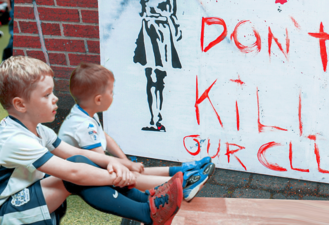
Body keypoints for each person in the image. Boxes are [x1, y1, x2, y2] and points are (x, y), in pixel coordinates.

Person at [0, 56, 184, 225]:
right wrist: (120, 177)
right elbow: (74, 171)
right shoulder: (15, 139)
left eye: (52, 92)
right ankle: (148, 214)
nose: (55, 99)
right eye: (47, 95)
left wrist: (113, 161)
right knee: (77, 175)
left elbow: (76, 153)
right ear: (20, 105)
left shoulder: (38, 130)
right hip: (6, 211)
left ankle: (147, 199)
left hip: (28, 192)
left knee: (80, 164)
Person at [58, 62, 215, 202]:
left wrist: (126, 161)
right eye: (111, 92)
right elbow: (102, 161)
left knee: (134, 169)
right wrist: (127, 166)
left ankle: (182, 171)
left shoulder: (84, 113)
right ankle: (182, 184)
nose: (113, 95)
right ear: (98, 100)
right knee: (129, 176)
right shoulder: (83, 125)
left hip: (87, 169)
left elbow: (105, 138)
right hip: (75, 179)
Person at [133, 0, 182, 132]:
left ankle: (157, 118)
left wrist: (175, 29)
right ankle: (154, 119)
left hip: (161, 31)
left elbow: (172, 12)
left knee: (159, 78)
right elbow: (141, 10)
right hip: (148, 29)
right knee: (150, 77)